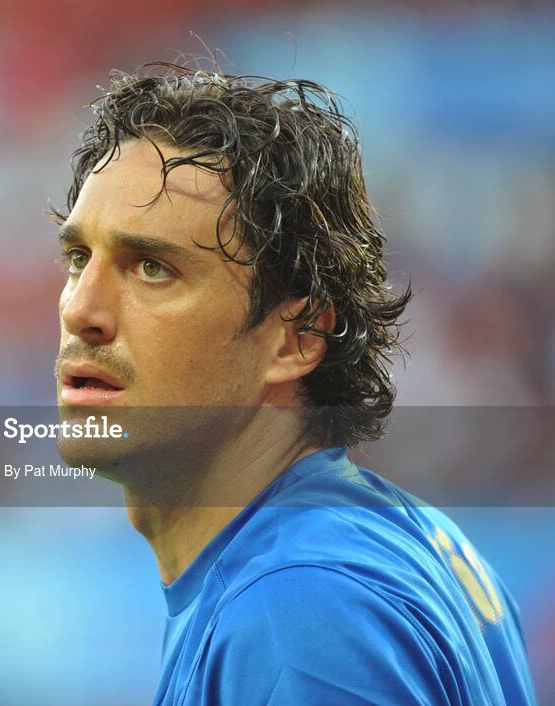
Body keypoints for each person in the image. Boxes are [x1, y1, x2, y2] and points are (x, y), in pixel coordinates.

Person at [51, 63, 537, 705]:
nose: (81, 310)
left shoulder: (299, 611)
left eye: (152, 269)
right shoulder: (401, 542)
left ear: (296, 338)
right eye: (80, 259)